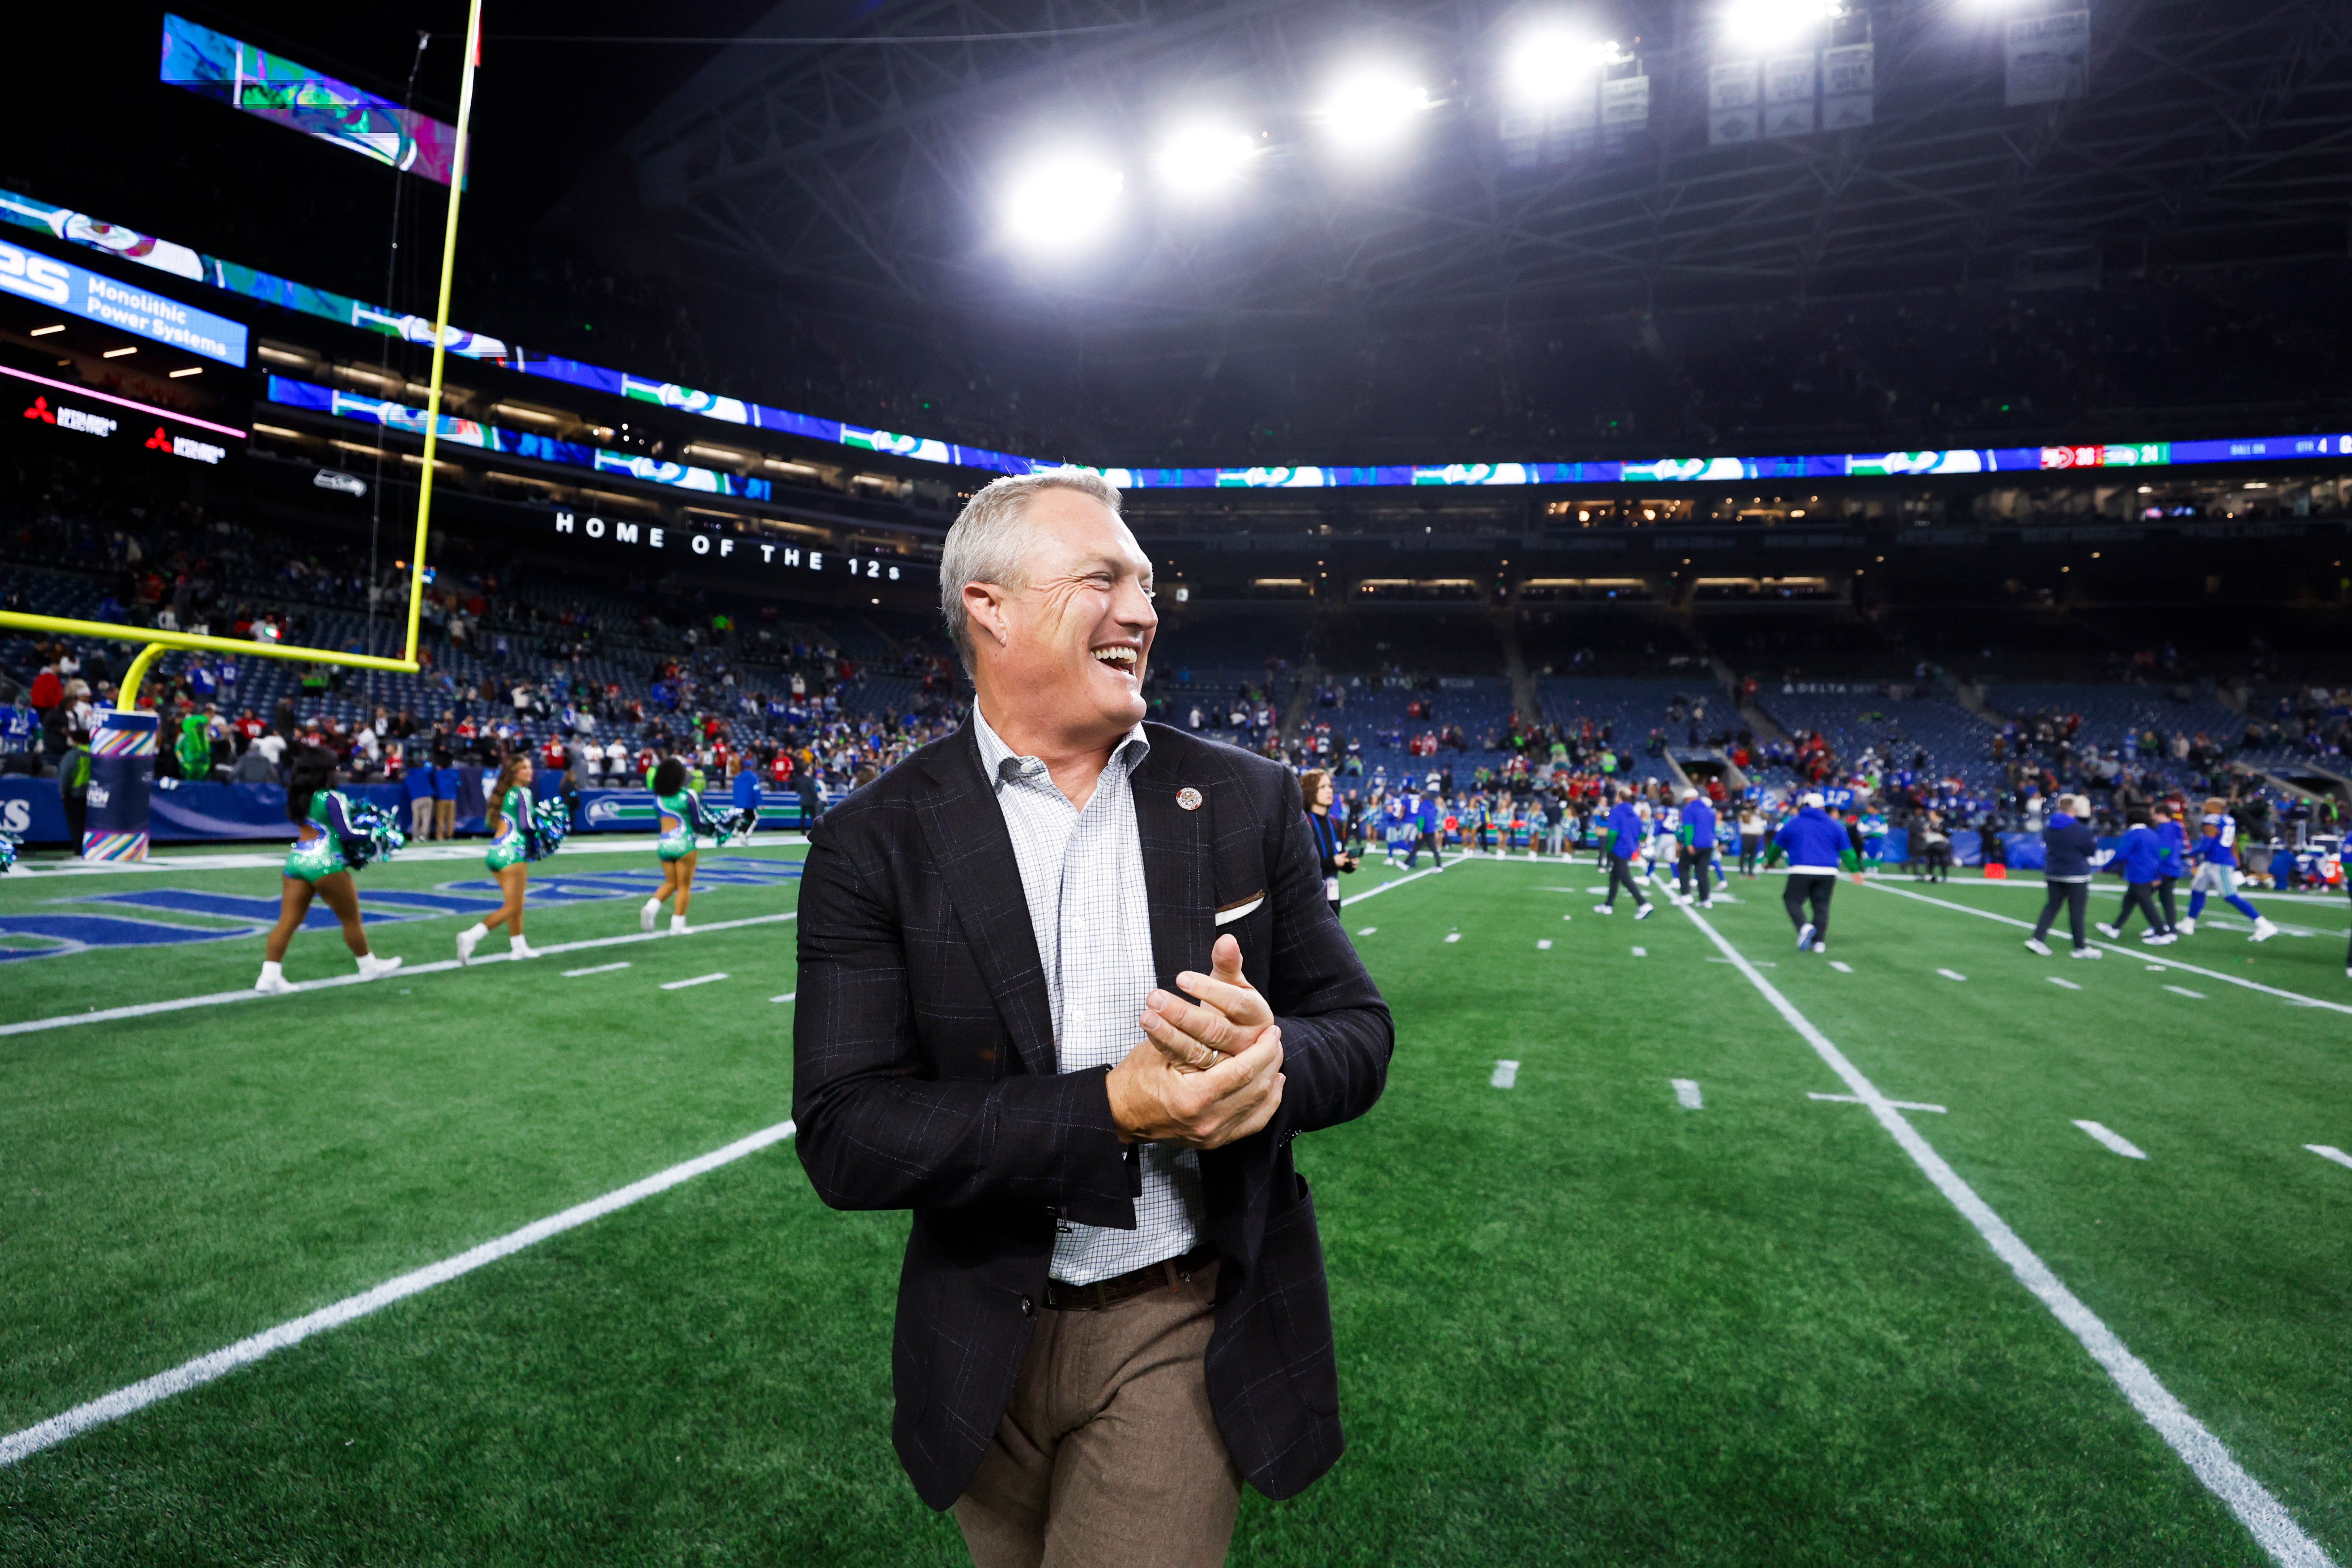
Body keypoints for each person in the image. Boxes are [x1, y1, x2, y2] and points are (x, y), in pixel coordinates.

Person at [793, 468, 1391, 1567]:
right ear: (992, 607)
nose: (1146, 611)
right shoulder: (872, 840)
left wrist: (1274, 1063)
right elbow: (845, 1132)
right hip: (980, 1329)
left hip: (1183, 1313)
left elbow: (1357, 1026)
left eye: (1150, 586)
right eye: (1104, 577)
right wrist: (1112, 1108)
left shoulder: (1249, 797)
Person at [254, 745, 405, 994]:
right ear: (326, 771)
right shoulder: (331, 798)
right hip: (325, 863)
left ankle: (269, 976)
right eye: (334, 766)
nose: (338, 770)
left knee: (288, 921)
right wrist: (379, 832)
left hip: (296, 861)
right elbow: (347, 833)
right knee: (351, 921)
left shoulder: (298, 797)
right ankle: (368, 966)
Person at [456, 753, 543, 964]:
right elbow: (526, 825)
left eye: (530, 767)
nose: (529, 771)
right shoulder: (523, 793)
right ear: (514, 773)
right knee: (513, 906)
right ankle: (471, 936)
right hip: (512, 855)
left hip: (495, 854)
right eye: (524, 768)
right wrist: (544, 828)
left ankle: (519, 947)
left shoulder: (507, 793)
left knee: (516, 903)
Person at [1762, 791, 1857, 954]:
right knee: (1821, 907)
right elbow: (1847, 850)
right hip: (1828, 871)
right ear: (1822, 807)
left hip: (1801, 869)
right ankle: (1819, 942)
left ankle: (1804, 927)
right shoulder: (1835, 824)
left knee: (1791, 900)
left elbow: (1777, 846)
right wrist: (1855, 870)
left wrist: (1771, 862)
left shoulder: (1794, 823)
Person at [2180, 796, 2279, 941]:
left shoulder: (2211, 821)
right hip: (2213, 862)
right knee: (2197, 890)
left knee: (2230, 896)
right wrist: (2237, 861)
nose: (2203, 806)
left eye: (2206, 804)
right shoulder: (2228, 820)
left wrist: (2187, 854)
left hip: (2219, 864)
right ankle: (2188, 924)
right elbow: (2233, 842)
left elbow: (2206, 846)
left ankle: (2264, 925)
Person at [2023, 794, 2103, 959]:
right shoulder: (2081, 830)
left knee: (2051, 906)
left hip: (2053, 871)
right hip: (2075, 874)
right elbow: (2090, 850)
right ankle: (2080, 947)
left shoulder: (2049, 826)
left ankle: (2037, 939)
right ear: (2074, 809)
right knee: (2077, 911)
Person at [2097, 808, 2174, 945]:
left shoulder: (2132, 834)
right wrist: (2159, 875)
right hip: (2151, 872)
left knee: (2146, 903)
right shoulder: (2153, 834)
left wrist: (2106, 867)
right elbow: (2159, 856)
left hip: (2138, 873)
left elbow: (2121, 855)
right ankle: (2115, 928)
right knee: (2129, 901)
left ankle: (2161, 932)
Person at [1301, 767, 1355, 919]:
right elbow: (1303, 864)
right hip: (1309, 899)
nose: (1329, 791)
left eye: (1330, 787)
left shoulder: (1335, 823)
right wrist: (1333, 862)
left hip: (1333, 895)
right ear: (1311, 791)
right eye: (1323, 787)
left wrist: (1348, 864)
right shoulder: (1303, 823)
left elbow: (1339, 856)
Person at [1594, 789, 1653, 918]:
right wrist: (1635, 844)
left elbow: (1613, 833)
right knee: (1615, 877)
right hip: (1629, 848)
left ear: (1620, 798)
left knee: (1625, 878)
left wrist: (1609, 848)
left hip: (1618, 847)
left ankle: (1643, 904)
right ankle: (1608, 905)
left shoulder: (1616, 811)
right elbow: (1642, 832)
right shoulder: (1634, 812)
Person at [1676, 786, 1718, 908]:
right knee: (1702, 872)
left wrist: (1688, 844)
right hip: (1708, 844)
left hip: (1695, 844)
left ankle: (1686, 895)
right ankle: (1705, 899)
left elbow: (1689, 828)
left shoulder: (1689, 809)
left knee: (1683, 868)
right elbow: (1712, 828)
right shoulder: (1709, 810)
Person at [1737, 803, 1766, 877]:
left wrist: (1759, 811)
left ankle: (1751, 871)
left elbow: (1766, 817)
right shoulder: (1744, 813)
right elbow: (1747, 821)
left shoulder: (1758, 814)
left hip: (1756, 836)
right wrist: (1750, 811)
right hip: (1747, 836)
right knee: (1744, 854)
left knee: (1753, 855)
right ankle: (1742, 871)